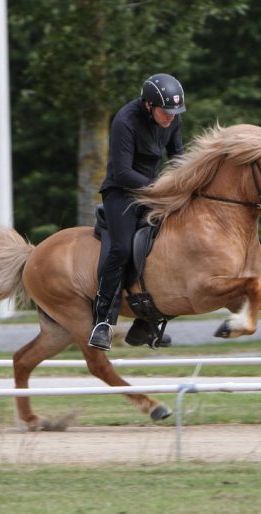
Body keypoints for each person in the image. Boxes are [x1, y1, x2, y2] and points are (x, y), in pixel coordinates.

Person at [88, 73, 186, 351]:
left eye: (174, 113)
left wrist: (186, 184)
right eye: (165, 112)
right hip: (122, 192)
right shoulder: (124, 121)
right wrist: (161, 187)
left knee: (178, 244)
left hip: (153, 192)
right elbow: (122, 172)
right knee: (121, 247)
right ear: (148, 105)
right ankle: (103, 321)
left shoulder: (173, 118)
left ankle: (145, 324)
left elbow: (177, 157)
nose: (170, 118)